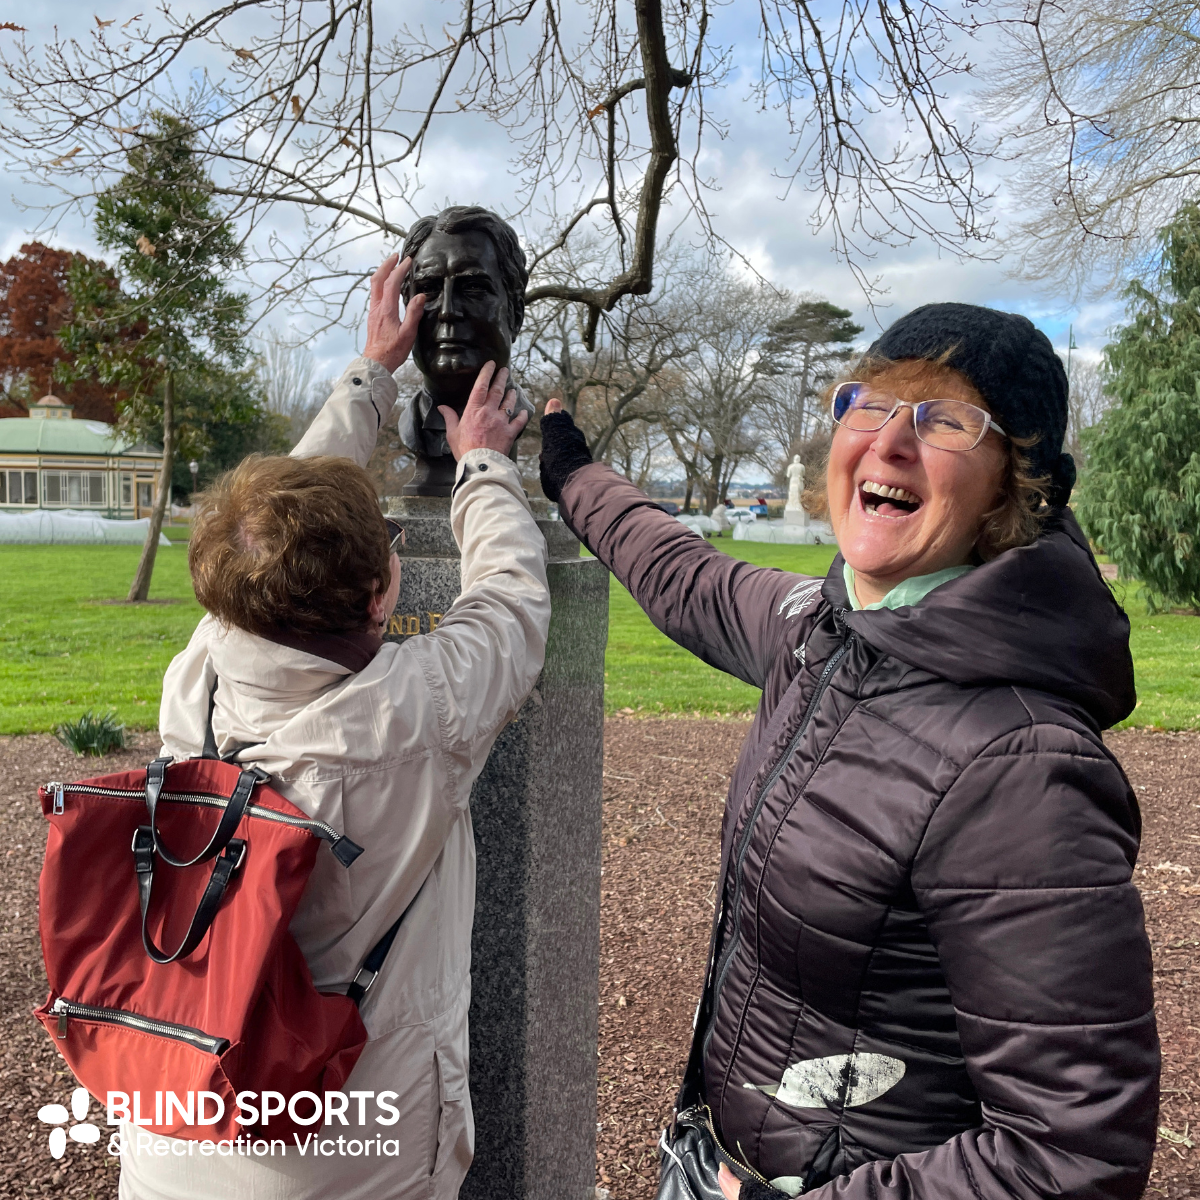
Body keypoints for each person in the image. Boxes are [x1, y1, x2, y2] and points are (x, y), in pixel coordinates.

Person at [539, 303, 1158, 1199]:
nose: (891, 441)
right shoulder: (827, 633)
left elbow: (1072, 1155)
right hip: (717, 1156)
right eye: (869, 402)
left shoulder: (1019, 768)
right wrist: (571, 470)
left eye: (946, 419)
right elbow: (686, 573)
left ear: (1017, 486)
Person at [119, 254, 551, 1200]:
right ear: (383, 592)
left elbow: (277, 521)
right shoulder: (415, 712)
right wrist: (485, 462)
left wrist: (371, 371)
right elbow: (512, 606)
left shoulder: (197, 669)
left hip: (176, 1126)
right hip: (341, 1160)